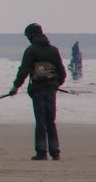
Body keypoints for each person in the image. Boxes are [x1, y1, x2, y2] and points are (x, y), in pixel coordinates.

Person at [8, 23, 66, 160]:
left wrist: (16, 86)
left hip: (38, 89)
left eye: (27, 35)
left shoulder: (31, 50)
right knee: (50, 120)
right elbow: (62, 71)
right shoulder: (53, 50)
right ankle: (55, 152)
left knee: (40, 121)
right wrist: (56, 84)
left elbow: (24, 70)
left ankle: (41, 152)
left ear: (31, 35)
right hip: (51, 89)